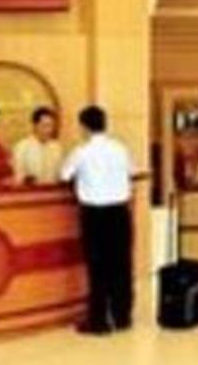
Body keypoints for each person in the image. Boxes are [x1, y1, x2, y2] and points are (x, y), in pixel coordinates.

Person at [61, 105, 135, 335]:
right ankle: (122, 317)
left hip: (95, 215)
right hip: (120, 213)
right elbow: (131, 172)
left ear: (84, 127)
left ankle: (99, 321)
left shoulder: (81, 152)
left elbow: (64, 175)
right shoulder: (120, 148)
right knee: (121, 265)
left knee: (98, 268)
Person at [12, 107, 64, 185]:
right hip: (32, 191)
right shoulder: (22, 148)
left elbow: (60, 175)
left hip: (52, 190)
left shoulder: (56, 148)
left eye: (51, 126)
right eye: (45, 126)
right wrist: (26, 179)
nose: (49, 130)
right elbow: (18, 176)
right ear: (35, 126)